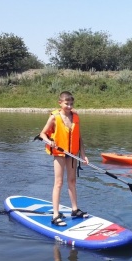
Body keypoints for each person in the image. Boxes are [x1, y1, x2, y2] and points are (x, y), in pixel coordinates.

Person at [40, 91, 89, 226]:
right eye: (66, 104)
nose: (69, 106)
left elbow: (79, 138)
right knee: (59, 182)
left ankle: (74, 209)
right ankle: (55, 215)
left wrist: (83, 155)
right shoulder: (54, 117)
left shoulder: (76, 117)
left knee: (72, 181)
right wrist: (49, 142)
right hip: (59, 153)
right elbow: (42, 134)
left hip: (72, 154)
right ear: (60, 103)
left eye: (71, 104)